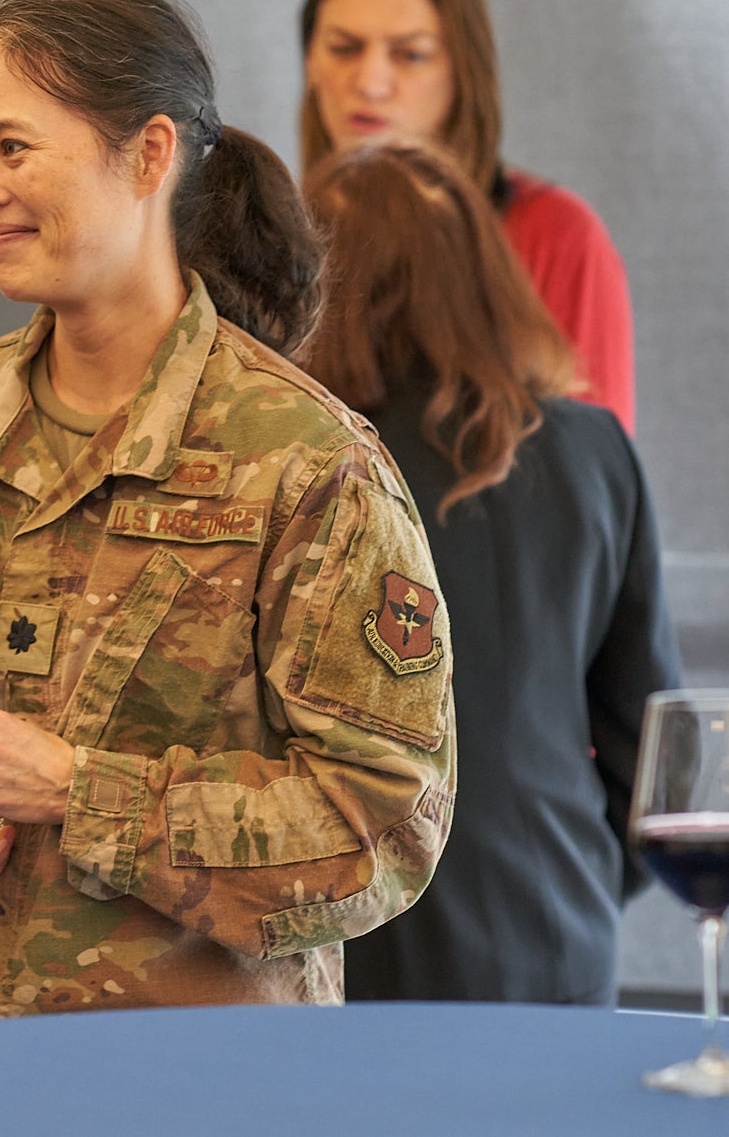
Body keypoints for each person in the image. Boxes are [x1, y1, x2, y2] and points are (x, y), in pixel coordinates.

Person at [0, 0, 455, 1026]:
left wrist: (76, 790)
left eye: (13, 148)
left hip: (185, 1085)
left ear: (147, 155)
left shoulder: (301, 460)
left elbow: (379, 830)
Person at [300, 139, 678, 1004]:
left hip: (353, 949)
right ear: (488, 273)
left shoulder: (306, 458)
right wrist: (569, 876)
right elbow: (650, 750)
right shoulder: (596, 454)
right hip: (560, 930)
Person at [298, 0, 637, 431]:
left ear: (463, 71)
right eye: (344, 48)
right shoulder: (274, 236)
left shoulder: (557, 235)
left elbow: (592, 482)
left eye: (410, 54)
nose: (369, 83)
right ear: (310, 65)